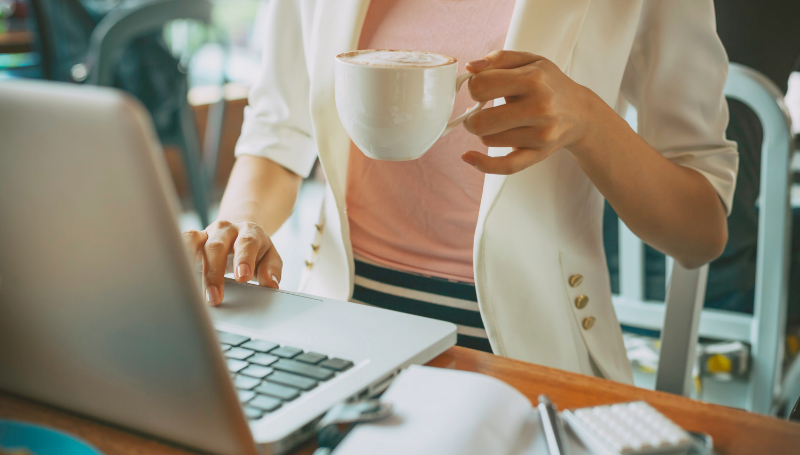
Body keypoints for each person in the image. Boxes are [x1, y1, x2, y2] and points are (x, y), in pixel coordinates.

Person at [182, 0, 737, 384]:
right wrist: (243, 225)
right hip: (336, 337)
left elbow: (701, 232)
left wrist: (588, 121)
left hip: (529, 360)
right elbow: (278, 135)